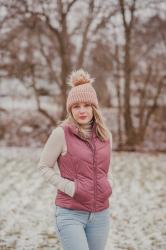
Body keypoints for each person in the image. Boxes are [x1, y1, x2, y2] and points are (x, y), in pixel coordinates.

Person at [37, 69, 113, 250]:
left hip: (100, 214)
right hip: (70, 213)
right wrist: (71, 188)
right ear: (70, 109)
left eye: (87, 105)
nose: (82, 110)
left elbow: (108, 169)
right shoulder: (60, 134)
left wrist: (109, 185)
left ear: (94, 107)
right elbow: (43, 167)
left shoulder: (105, 135)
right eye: (76, 106)